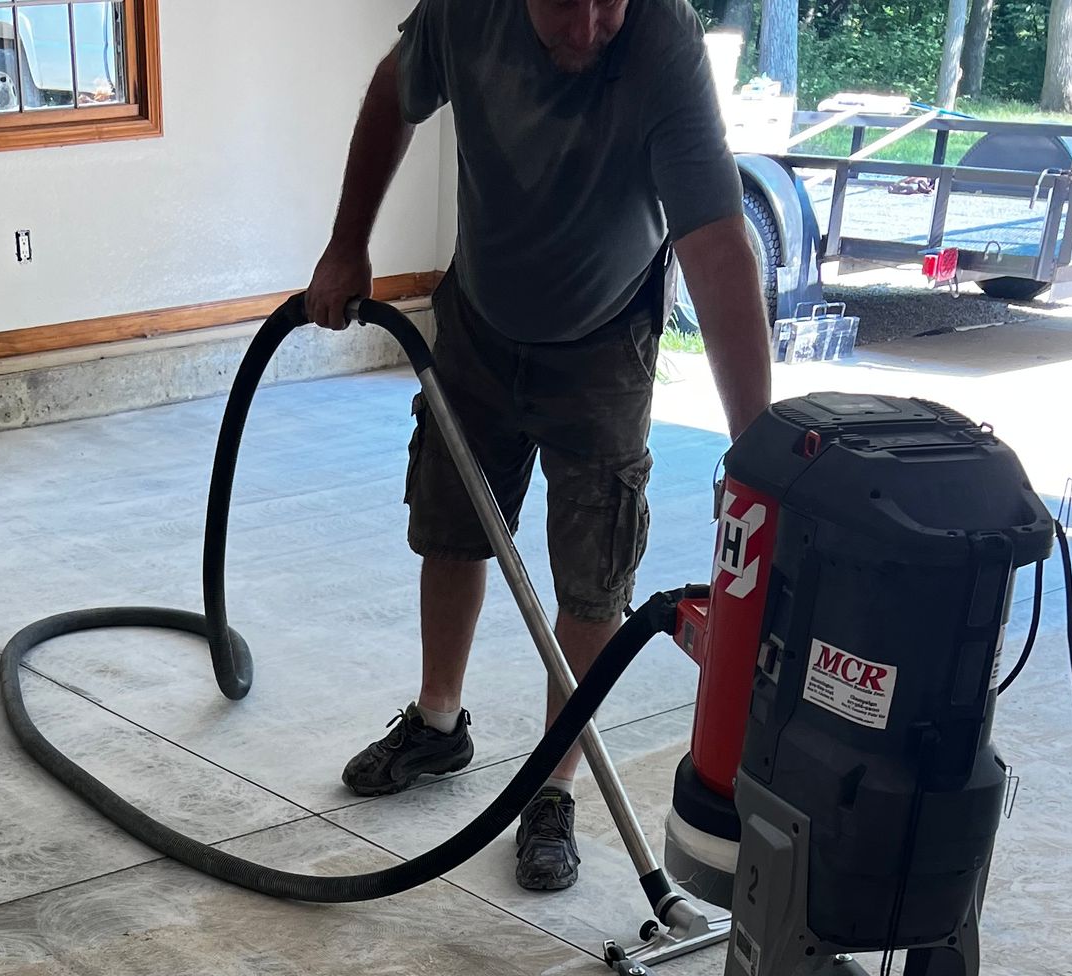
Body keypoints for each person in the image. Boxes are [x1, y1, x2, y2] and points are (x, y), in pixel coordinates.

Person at [307, 0, 773, 892]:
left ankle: (554, 787)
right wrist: (347, 243)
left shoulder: (662, 40)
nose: (592, 24)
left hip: (605, 342)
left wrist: (756, 449)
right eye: (567, 0)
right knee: (451, 527)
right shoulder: (464, 14)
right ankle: (438, 725)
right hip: (480, 320)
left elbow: (715, 244)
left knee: (594, 568)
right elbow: (388, 97)